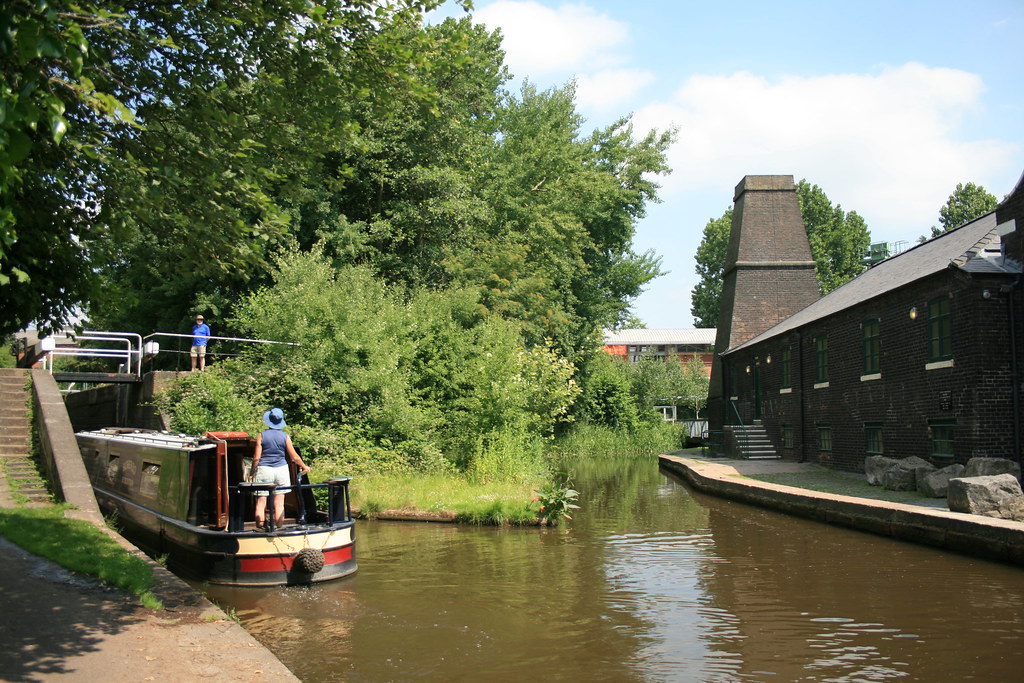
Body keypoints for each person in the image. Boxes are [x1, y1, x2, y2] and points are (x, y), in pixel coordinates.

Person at [250, 407, 311, 530]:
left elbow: (256, 457)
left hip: (264, 470)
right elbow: (294, 456)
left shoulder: (261, 435)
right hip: (281, 470)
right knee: (279, 503)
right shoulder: (285, 436)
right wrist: (304, 466)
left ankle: (259, 527)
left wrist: (251, 473)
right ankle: (279, 527)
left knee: (261, 501)